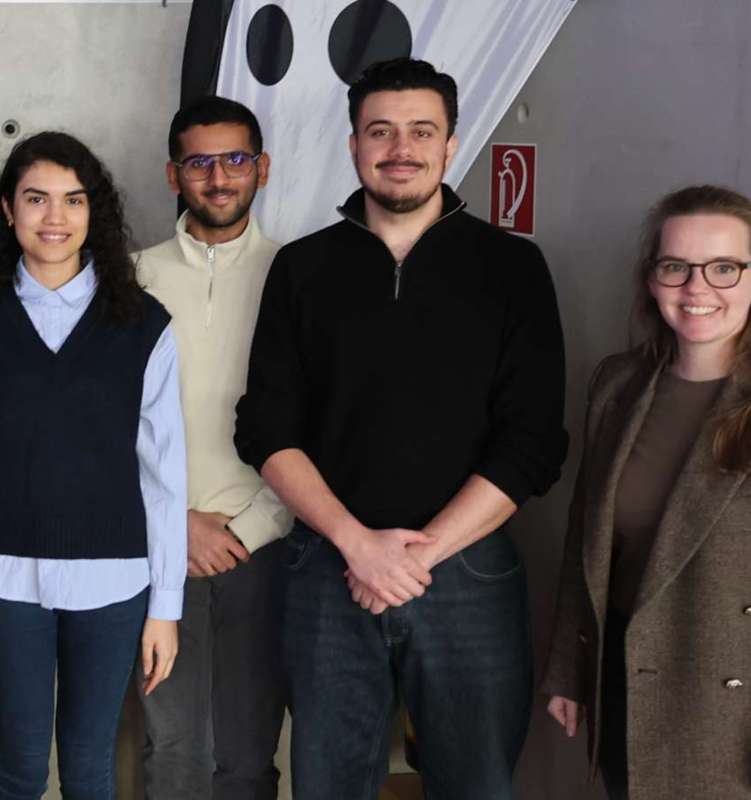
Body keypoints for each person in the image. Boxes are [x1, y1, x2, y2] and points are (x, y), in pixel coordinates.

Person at [233, 58, 568, 799]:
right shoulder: (303, 268)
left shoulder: (512, 267)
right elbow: (265, 427)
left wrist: (416, 559)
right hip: (328, 568)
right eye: (380, 131)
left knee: (476, 784)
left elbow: (533, 440)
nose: (400, 148)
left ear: (451, 145)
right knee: (327, 784)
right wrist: (357, 547)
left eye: (422, 131)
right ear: (353, 144)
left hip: (470, 571)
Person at [0, 131, 185, 800]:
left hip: (115, 579)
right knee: (16, 769)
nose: (55, 218)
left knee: (89, 767)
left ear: (93, 212)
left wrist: (166, 605)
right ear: (8, 209)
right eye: (37, 199)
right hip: (2, 577)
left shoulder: (144, 324)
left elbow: (164, 473)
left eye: (73, 200)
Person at [542, 185, 751, 800]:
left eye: (724, 268)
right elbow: (587, 539)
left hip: (738, 713)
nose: (697, 287)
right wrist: (571, 668)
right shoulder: (617, 384)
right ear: (653, 280)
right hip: (628, 682)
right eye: (675, 266)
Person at [132, 96, 290, 800]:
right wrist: (173, 528)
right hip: (153, 550)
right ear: (173, 176)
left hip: (266, 545)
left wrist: (251, 529)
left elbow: (317, 424)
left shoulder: (300, 274)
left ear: (261, 168)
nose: (218, 177)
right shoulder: (129, 279)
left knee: (250, 752)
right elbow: (110, 427)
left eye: (234, 160)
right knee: (171, 752)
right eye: (199, 162)